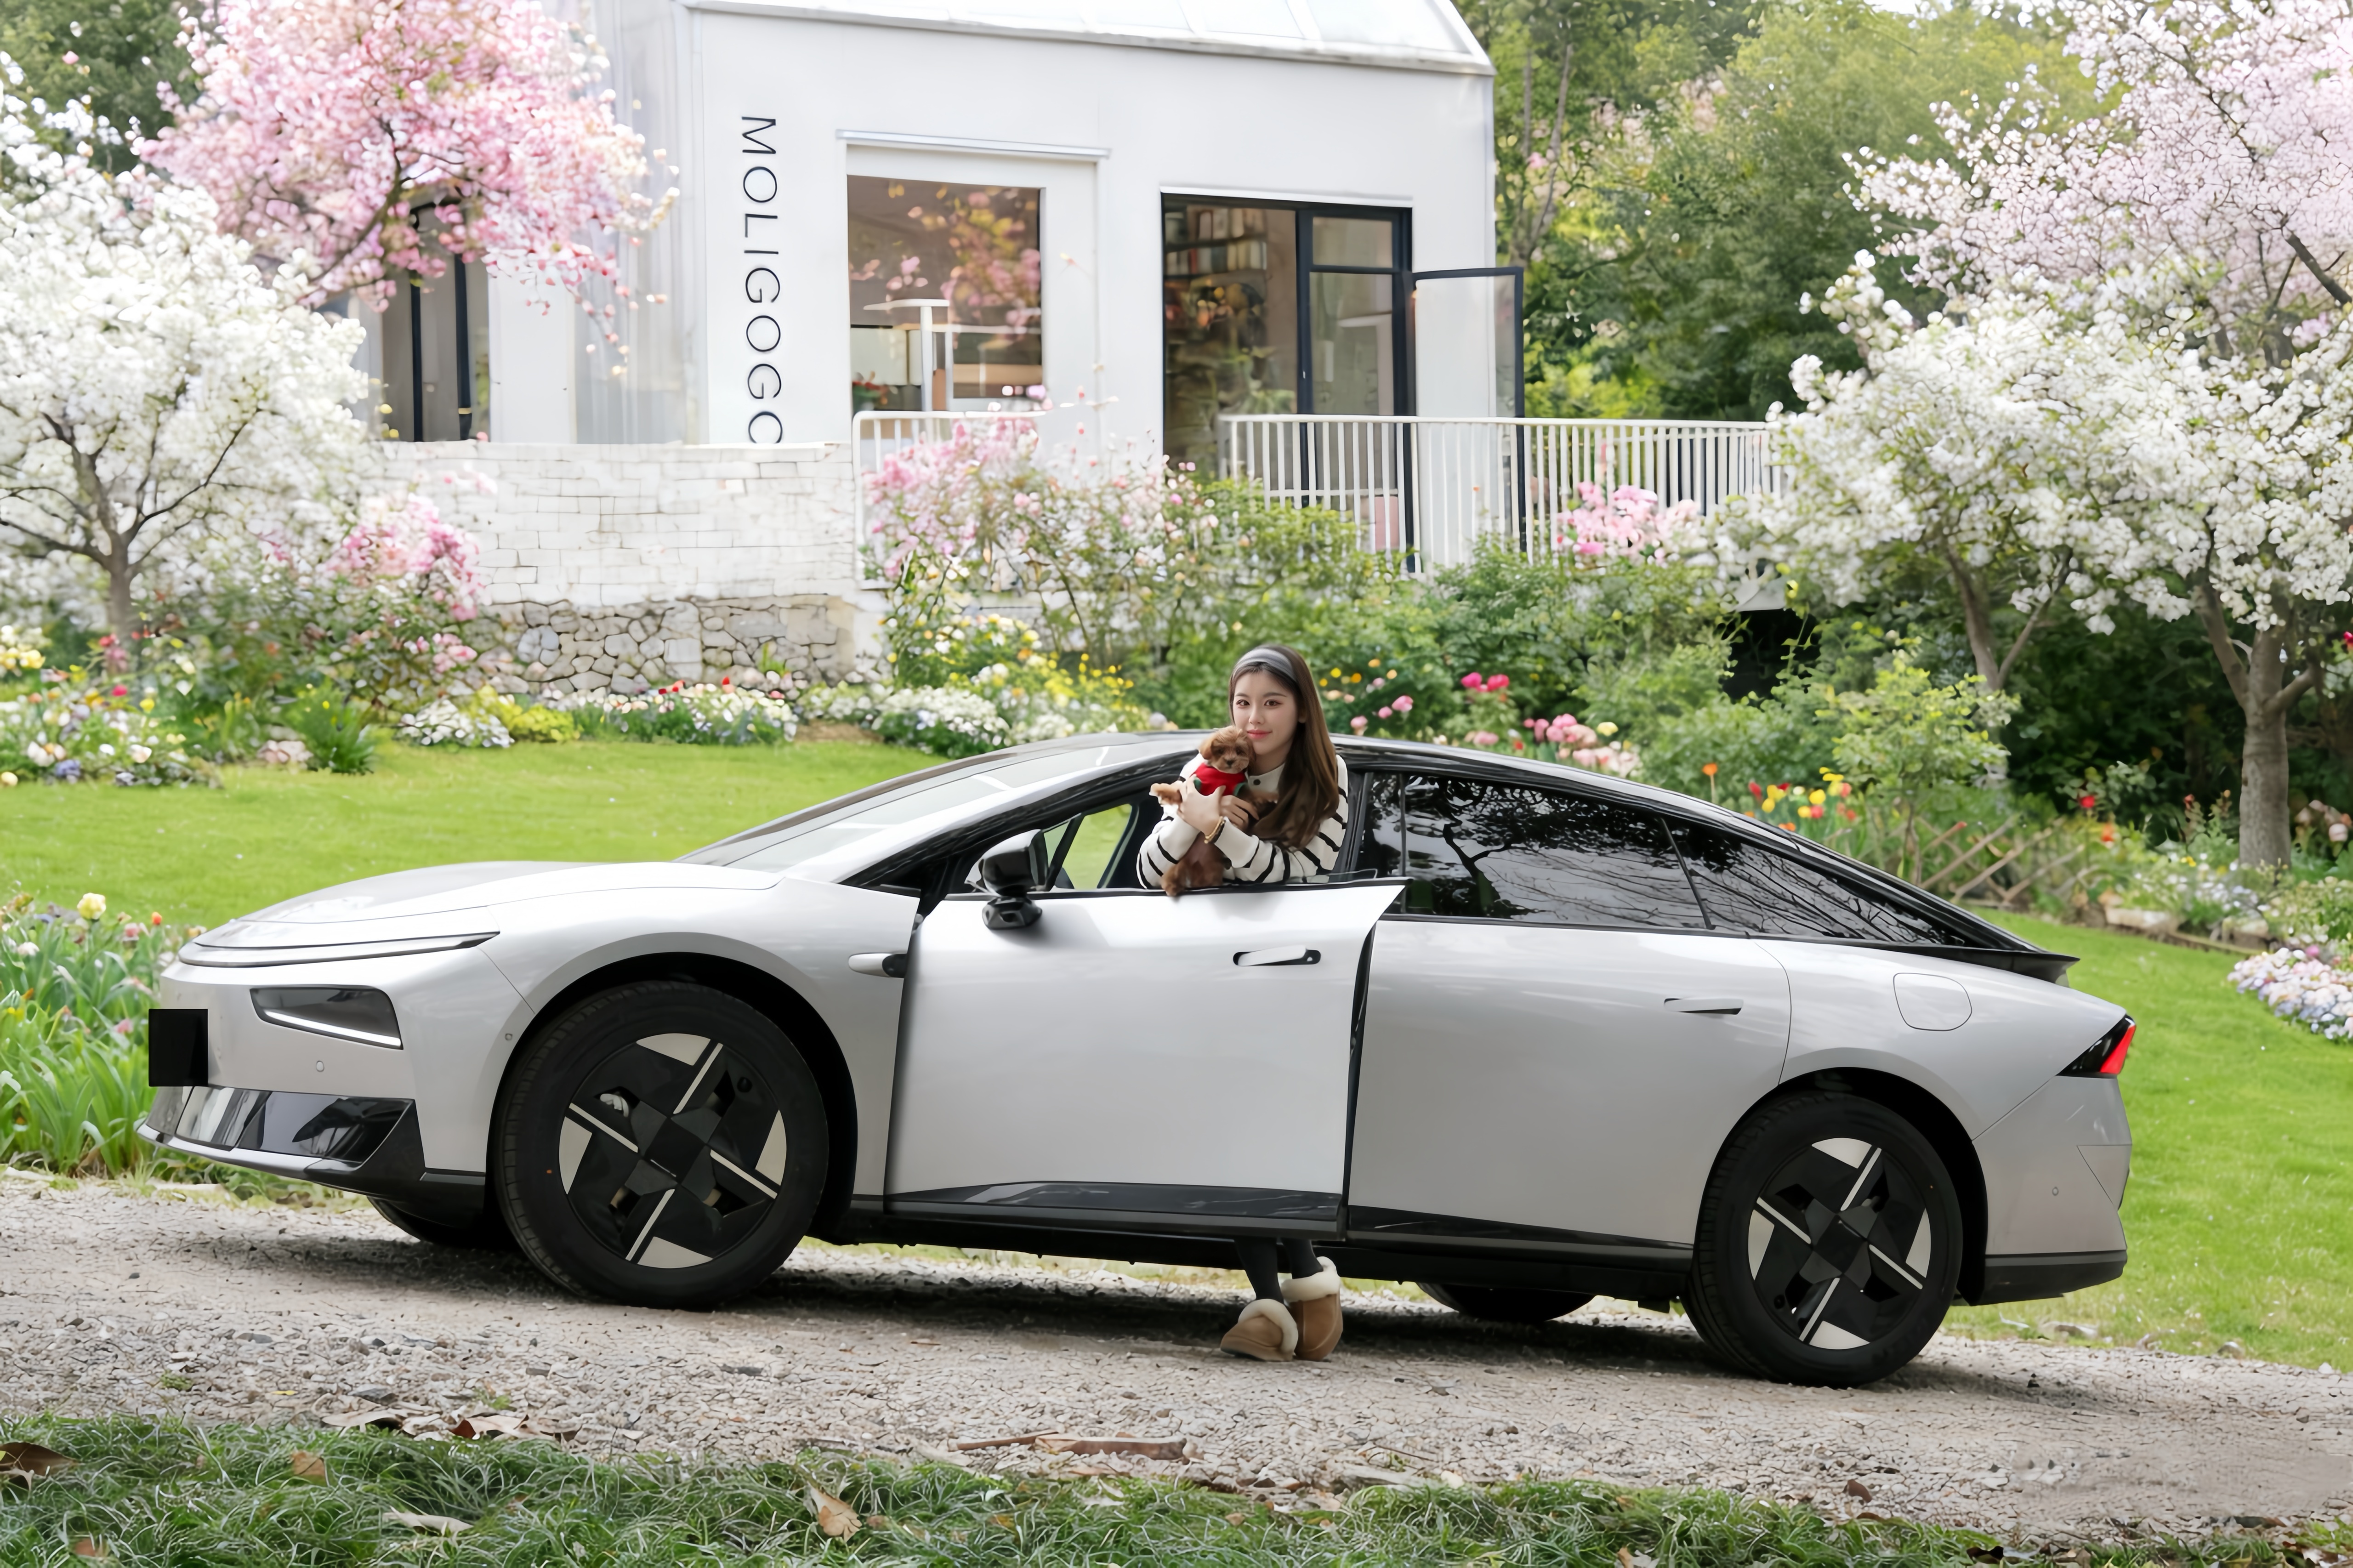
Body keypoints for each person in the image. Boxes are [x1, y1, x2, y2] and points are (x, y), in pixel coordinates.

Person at [1137, 643, 1351, 1362]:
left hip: (1290, 975)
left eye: (1272, 703)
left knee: (1264, 1132)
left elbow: (1296, 872)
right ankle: (1290, 1296)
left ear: (1301, 710)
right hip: (1212, 974)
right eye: (1243, 702)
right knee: (1233, 1133)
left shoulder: (1329, 778)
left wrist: (1214, 826)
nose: (1254, 718)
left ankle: (1286, 1302)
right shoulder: (1205, 768)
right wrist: (1192, 814)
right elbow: (1148, 867)